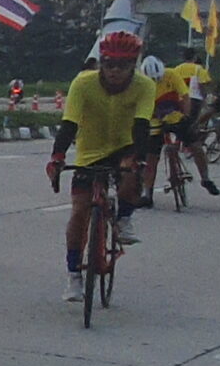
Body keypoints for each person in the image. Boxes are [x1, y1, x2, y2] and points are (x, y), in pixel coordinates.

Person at [48, 29, 154, 303]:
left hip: (125, 144)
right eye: (109, 64)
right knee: (79, 212)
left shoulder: (144, 86)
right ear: (101, 62)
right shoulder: (83, 83)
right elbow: (69, 124)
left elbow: (142, 126)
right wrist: (57, 157)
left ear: (134, 65)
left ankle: (125, 216)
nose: (114, 71)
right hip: (90, 150)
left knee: (132, 175)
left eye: (122, 65)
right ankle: (73, 276)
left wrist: (139, 163)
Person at [147, 51, 220, 196]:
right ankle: (147, 192)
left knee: (195, 144)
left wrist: (186, 116)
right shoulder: (143, 83)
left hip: (175, 113)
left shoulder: (172, 74)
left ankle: (206, 179)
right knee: (151, 156)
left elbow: (185, 96)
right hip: (154, 117)